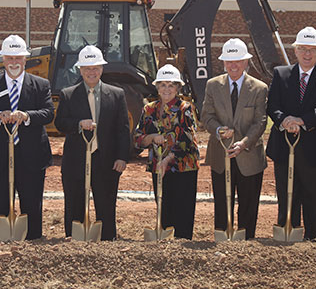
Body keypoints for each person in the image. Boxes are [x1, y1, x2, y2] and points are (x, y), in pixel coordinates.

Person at [0, 35, 54, 240]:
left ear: (25, 59)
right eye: (9, 58)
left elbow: (48, 113)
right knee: (0, 203)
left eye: (18, 58)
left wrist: (26, 116)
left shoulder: (41, 85)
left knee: (32, 204)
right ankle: (1, 240)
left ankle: (32, 240)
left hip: (32, 155)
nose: (13, 63)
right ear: (2, 60)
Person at [266, 26, 316, 240]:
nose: (307, 54)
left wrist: (301, 120)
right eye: (303, 49)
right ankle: (288, 236)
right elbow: (272, 105)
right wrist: (284, 119)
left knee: (314, 199)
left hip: (315, 150)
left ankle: (313, 240)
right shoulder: (281, 74)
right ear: (295, 51)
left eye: (312, 50)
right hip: (284, 147)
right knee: (287, 197)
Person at [54, 45, 130, 241]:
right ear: (80, 70)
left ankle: (106, 241)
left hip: (106, 160)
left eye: (95, 67)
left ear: (102, 69)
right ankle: (76, 240)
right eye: (87, 68)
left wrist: (122, 157)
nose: (92, 72)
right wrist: (79, 124)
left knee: (106, 205)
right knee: (74, 203)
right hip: (76, 161)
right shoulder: (68, 94)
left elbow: (122, 129)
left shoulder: (116, 94)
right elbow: (60, 123)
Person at [201, 39, 268, 239]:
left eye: (238, 61)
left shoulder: (259, 88)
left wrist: (244, 143)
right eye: (229, 61)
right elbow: (206, 116)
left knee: (248, 203)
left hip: (249, 157)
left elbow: (260, 122)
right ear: (223, 63)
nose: (233, 65)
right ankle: (223, 239)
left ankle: (246, 242)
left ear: (246, 62)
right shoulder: (213, 86)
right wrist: (218, 129)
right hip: (220, 157)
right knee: (222, 202)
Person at [134, 64, 200, 239]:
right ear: (157, 87)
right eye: (163, 84)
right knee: (164, 209)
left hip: (183, 167)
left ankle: (181, 247)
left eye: (171, 85)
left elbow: (188, 140)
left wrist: (168, 159)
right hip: (158, 167)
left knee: (183, 212)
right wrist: (151, 137)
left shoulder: (185, 108)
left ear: (178, 87)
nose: (167, 89)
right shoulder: (149, 109)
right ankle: (165, 247)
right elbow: (138, 138)